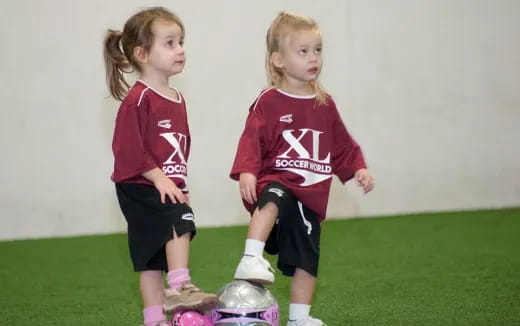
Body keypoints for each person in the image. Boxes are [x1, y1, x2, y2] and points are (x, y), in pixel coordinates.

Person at [230, 12, 375, 326]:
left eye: (318, 50)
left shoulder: (324, 103)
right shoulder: (268, 101)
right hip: (278, 179)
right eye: (303, 51)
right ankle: (251, 257)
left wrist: (358, 168)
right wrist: (247, 170)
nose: (314, 58)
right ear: (279, 60)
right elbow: (251, 138)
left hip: (310, 196)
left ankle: (299, 318)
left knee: (307, 260)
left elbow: (342, 146)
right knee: (274, 195)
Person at [103, 7, 216, 326]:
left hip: (162, 182)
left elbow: (179, 145)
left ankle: (154, 320)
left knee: (150, 261)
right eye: (169, 43)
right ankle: (180, 286)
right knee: (181, 219)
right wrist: (159, 178)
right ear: (142, 53)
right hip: (139, 184)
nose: (180, 49)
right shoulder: (138, 99)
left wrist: (179, 180)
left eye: (181, 42)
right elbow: (128, 149)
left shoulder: (177, 97)